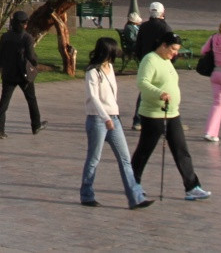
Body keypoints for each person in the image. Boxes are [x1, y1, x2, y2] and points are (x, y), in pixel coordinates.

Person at [131, 32, 209, 201]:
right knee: (145, 150)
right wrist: (159, 93)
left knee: (182, 150)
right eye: (173, 49)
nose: (175, 53)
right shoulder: (150, 59)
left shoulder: (167, 61)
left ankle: (192, 187)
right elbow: (142, 82)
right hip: (153, 113)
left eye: (177, 50)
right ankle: (133, 182)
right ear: (163, 45)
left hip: (172, 113)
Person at [80, 36, 152, 209]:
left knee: (125, 159)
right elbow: (93, 98)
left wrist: (114, 115)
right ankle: (86, 194)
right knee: (94, 158)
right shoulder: (92, 72)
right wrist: (105, 117)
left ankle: (135, 197)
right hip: (98, 119)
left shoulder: (110, 68)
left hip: (114, 118)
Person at [0, 10, 43, 138]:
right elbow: (32, 57)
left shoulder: (5, 36)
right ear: (24, 24)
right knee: (31, 99)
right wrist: (35, 63)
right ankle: (36, 125)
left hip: (8, 74)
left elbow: (0, 55)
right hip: (23, 75)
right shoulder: (27, 37)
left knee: (4, 102)